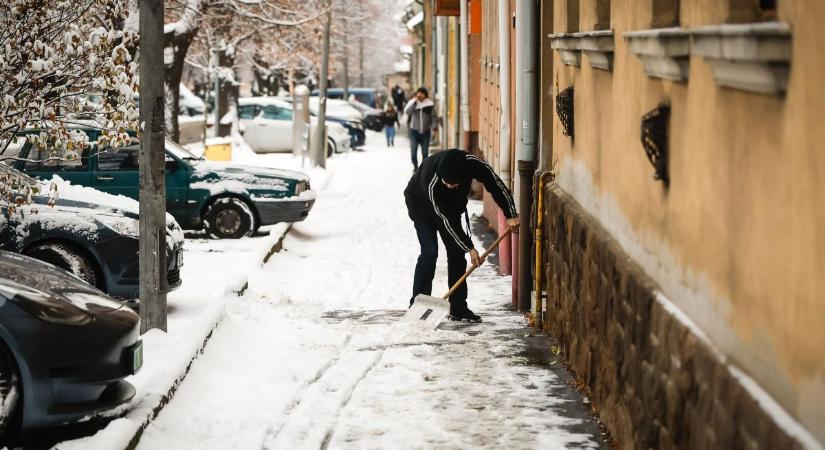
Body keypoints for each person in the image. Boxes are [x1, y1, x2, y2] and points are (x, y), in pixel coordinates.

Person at [404, 149, 519, 323]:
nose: (449, 186)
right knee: (430, 251)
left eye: (453, 183)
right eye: (446, 183)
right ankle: (418, 306)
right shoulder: (432, 183)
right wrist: (470, 248)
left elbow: (495, 184)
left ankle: (458, 308)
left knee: (457, 253)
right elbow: (445, 221)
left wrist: (510, 213)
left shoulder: (473, 164)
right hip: (420, 204)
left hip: (451, 207)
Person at [404, 87, 436, 170]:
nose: (420, 95)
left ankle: (423, 169)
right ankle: (415, 167)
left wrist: (434, 128)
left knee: (425, 152)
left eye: (422, 93)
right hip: (414, 132)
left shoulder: (429, 104)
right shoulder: (413, 103)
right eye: (418, 93)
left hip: (425, 132)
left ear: (425, 95)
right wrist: (414, 102)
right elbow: (407, 112)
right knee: (413, 152)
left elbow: (433, 118)